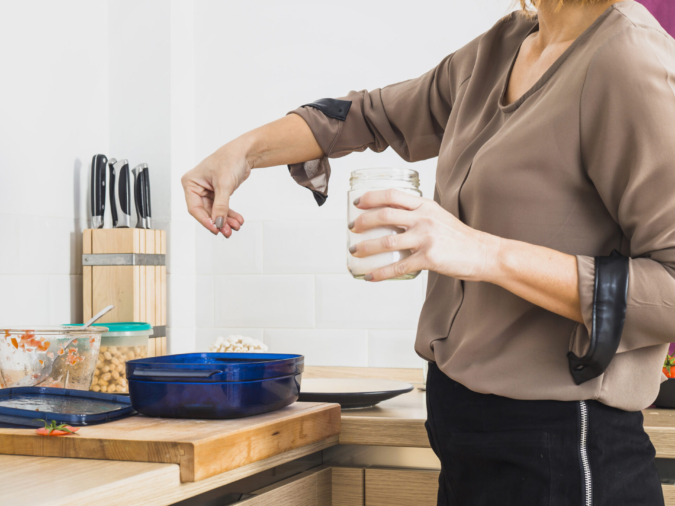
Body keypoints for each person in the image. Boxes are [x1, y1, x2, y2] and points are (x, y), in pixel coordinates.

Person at [180, 0, 675, 503]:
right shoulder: (507, 44)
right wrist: (240, 152)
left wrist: (484, 253)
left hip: (565, 448)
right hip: (464, 435)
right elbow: (368, 117)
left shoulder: (628, 58)